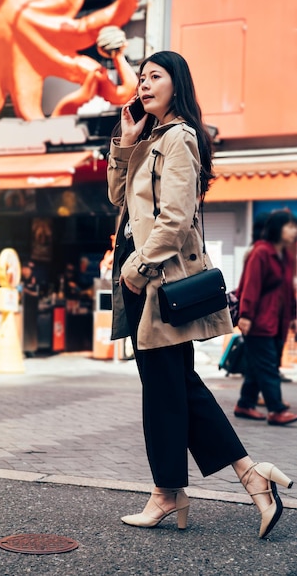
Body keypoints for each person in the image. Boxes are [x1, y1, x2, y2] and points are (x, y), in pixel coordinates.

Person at [107, 50, 293, 539]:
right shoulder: (148, 139)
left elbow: (174, 218)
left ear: (177, 83)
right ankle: (239, 481)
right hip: (141, 283)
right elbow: (116, 198)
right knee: (173, 389)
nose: (144, 85)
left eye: (155, 77)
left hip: (155, 282)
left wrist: (136, 268)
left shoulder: (180, 138)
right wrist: (125, 146)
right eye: (141, 78)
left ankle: (179, 491)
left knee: (170, 390)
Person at [234, 209, 297, 425]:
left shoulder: (286, 256)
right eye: (289, 226)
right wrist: (246, 315)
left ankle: (245, 404)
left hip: (278, 323)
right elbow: (251, 286)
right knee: (268, 366)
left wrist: (294, 315)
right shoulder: (261, 253)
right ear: (277, 229)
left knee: (257, 365)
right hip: (259, 321)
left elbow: (287, 289)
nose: (293, 230)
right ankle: (276, 410)